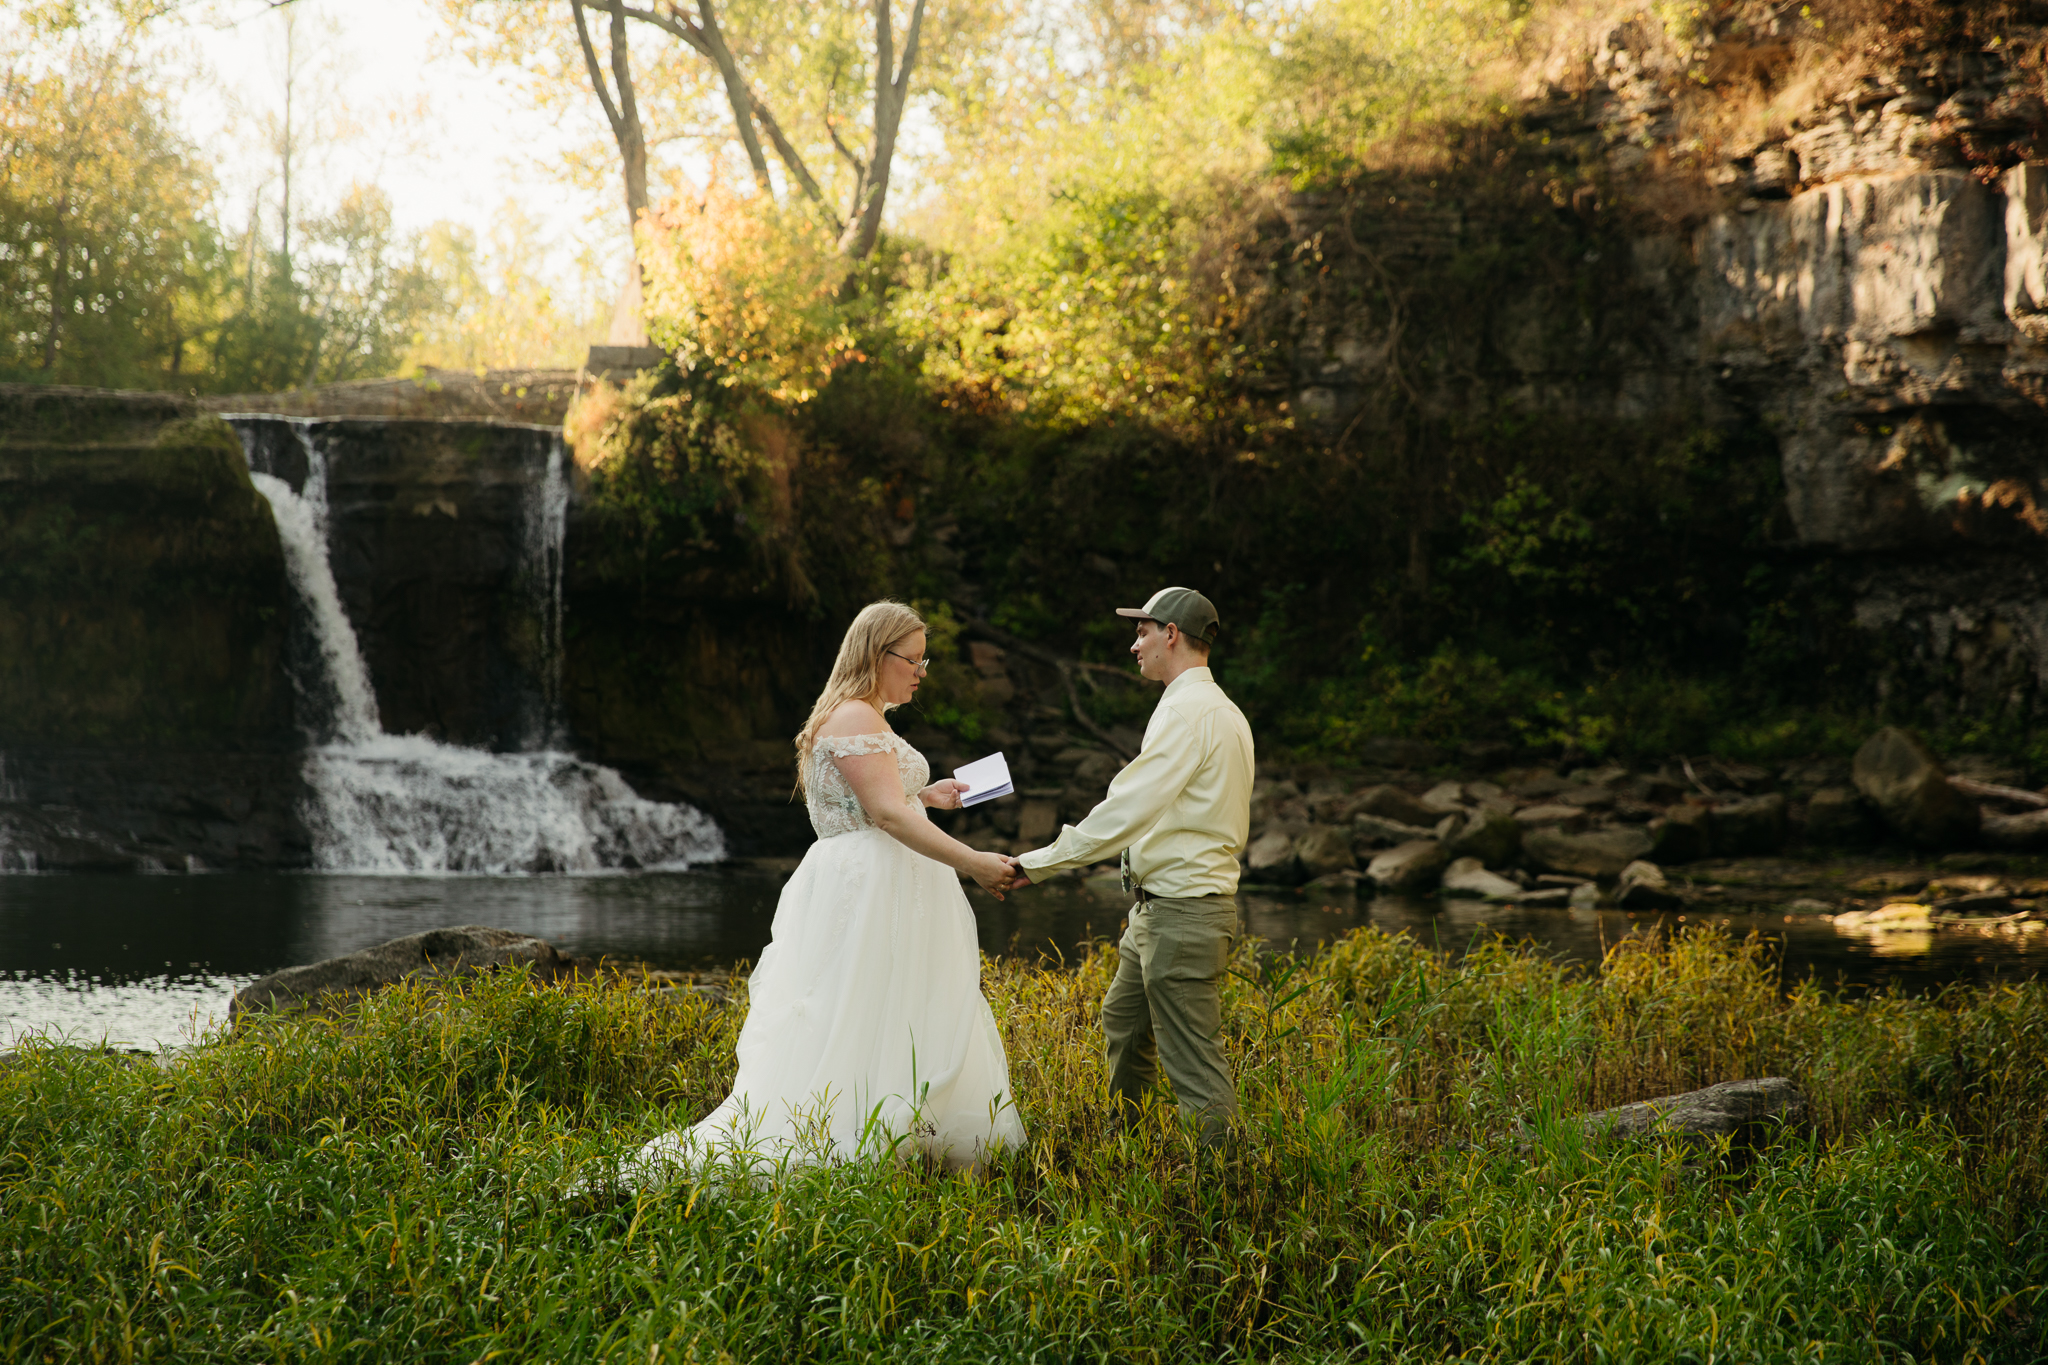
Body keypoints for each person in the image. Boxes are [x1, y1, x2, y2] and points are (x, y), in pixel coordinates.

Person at [623, 601, 1026, 1185]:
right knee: (859, 1009)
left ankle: (909, 1131)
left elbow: (882, 800)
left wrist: (929, 794)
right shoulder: (856, 717)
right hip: (869, 887)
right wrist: (973, 863)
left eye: (924, 659)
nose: (921, 671)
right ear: (875, 654)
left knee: (894, 1005)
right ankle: (855, 1136)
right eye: (912, 659)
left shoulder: (862, 715)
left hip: (879, 880)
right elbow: (885, 815)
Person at [1003, 587, 1254, 1148]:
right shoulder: (1213, 709)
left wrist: (1036, 864)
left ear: (1171, 634)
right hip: (1157, 909)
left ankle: (1225, 1189)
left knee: (1193, 1062)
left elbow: (1124, 813)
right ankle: (1129, 1150)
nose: (1133, 644)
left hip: (1185, 913)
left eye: (1142, 631)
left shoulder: (1191, 713)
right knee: (1123, 1021)